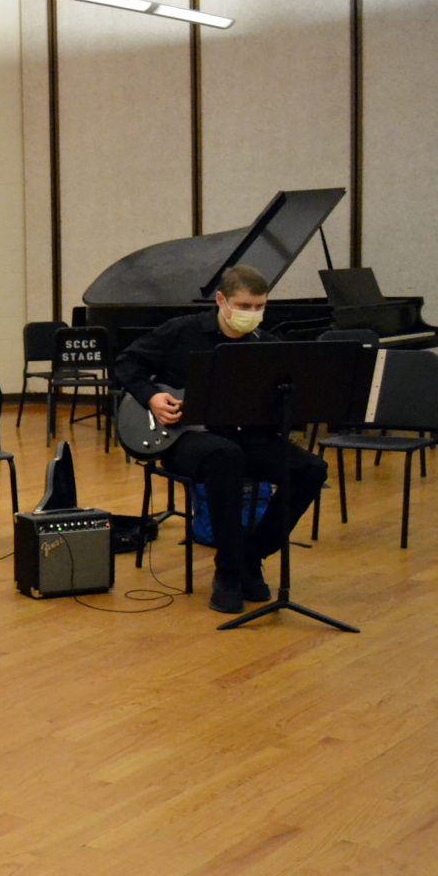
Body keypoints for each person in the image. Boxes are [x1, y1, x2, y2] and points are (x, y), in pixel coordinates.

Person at [111, 263, 329, 614]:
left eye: (260, 307)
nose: (252, 314)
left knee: (311, 469)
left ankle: (251, 554)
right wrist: (151, 396)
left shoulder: (267, 345)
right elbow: (126, 362)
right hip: (184, 438)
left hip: (247, 437)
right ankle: (227, 572)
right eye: (244, 307)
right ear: (221, 300)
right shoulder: (182, 331)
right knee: (224, 456)